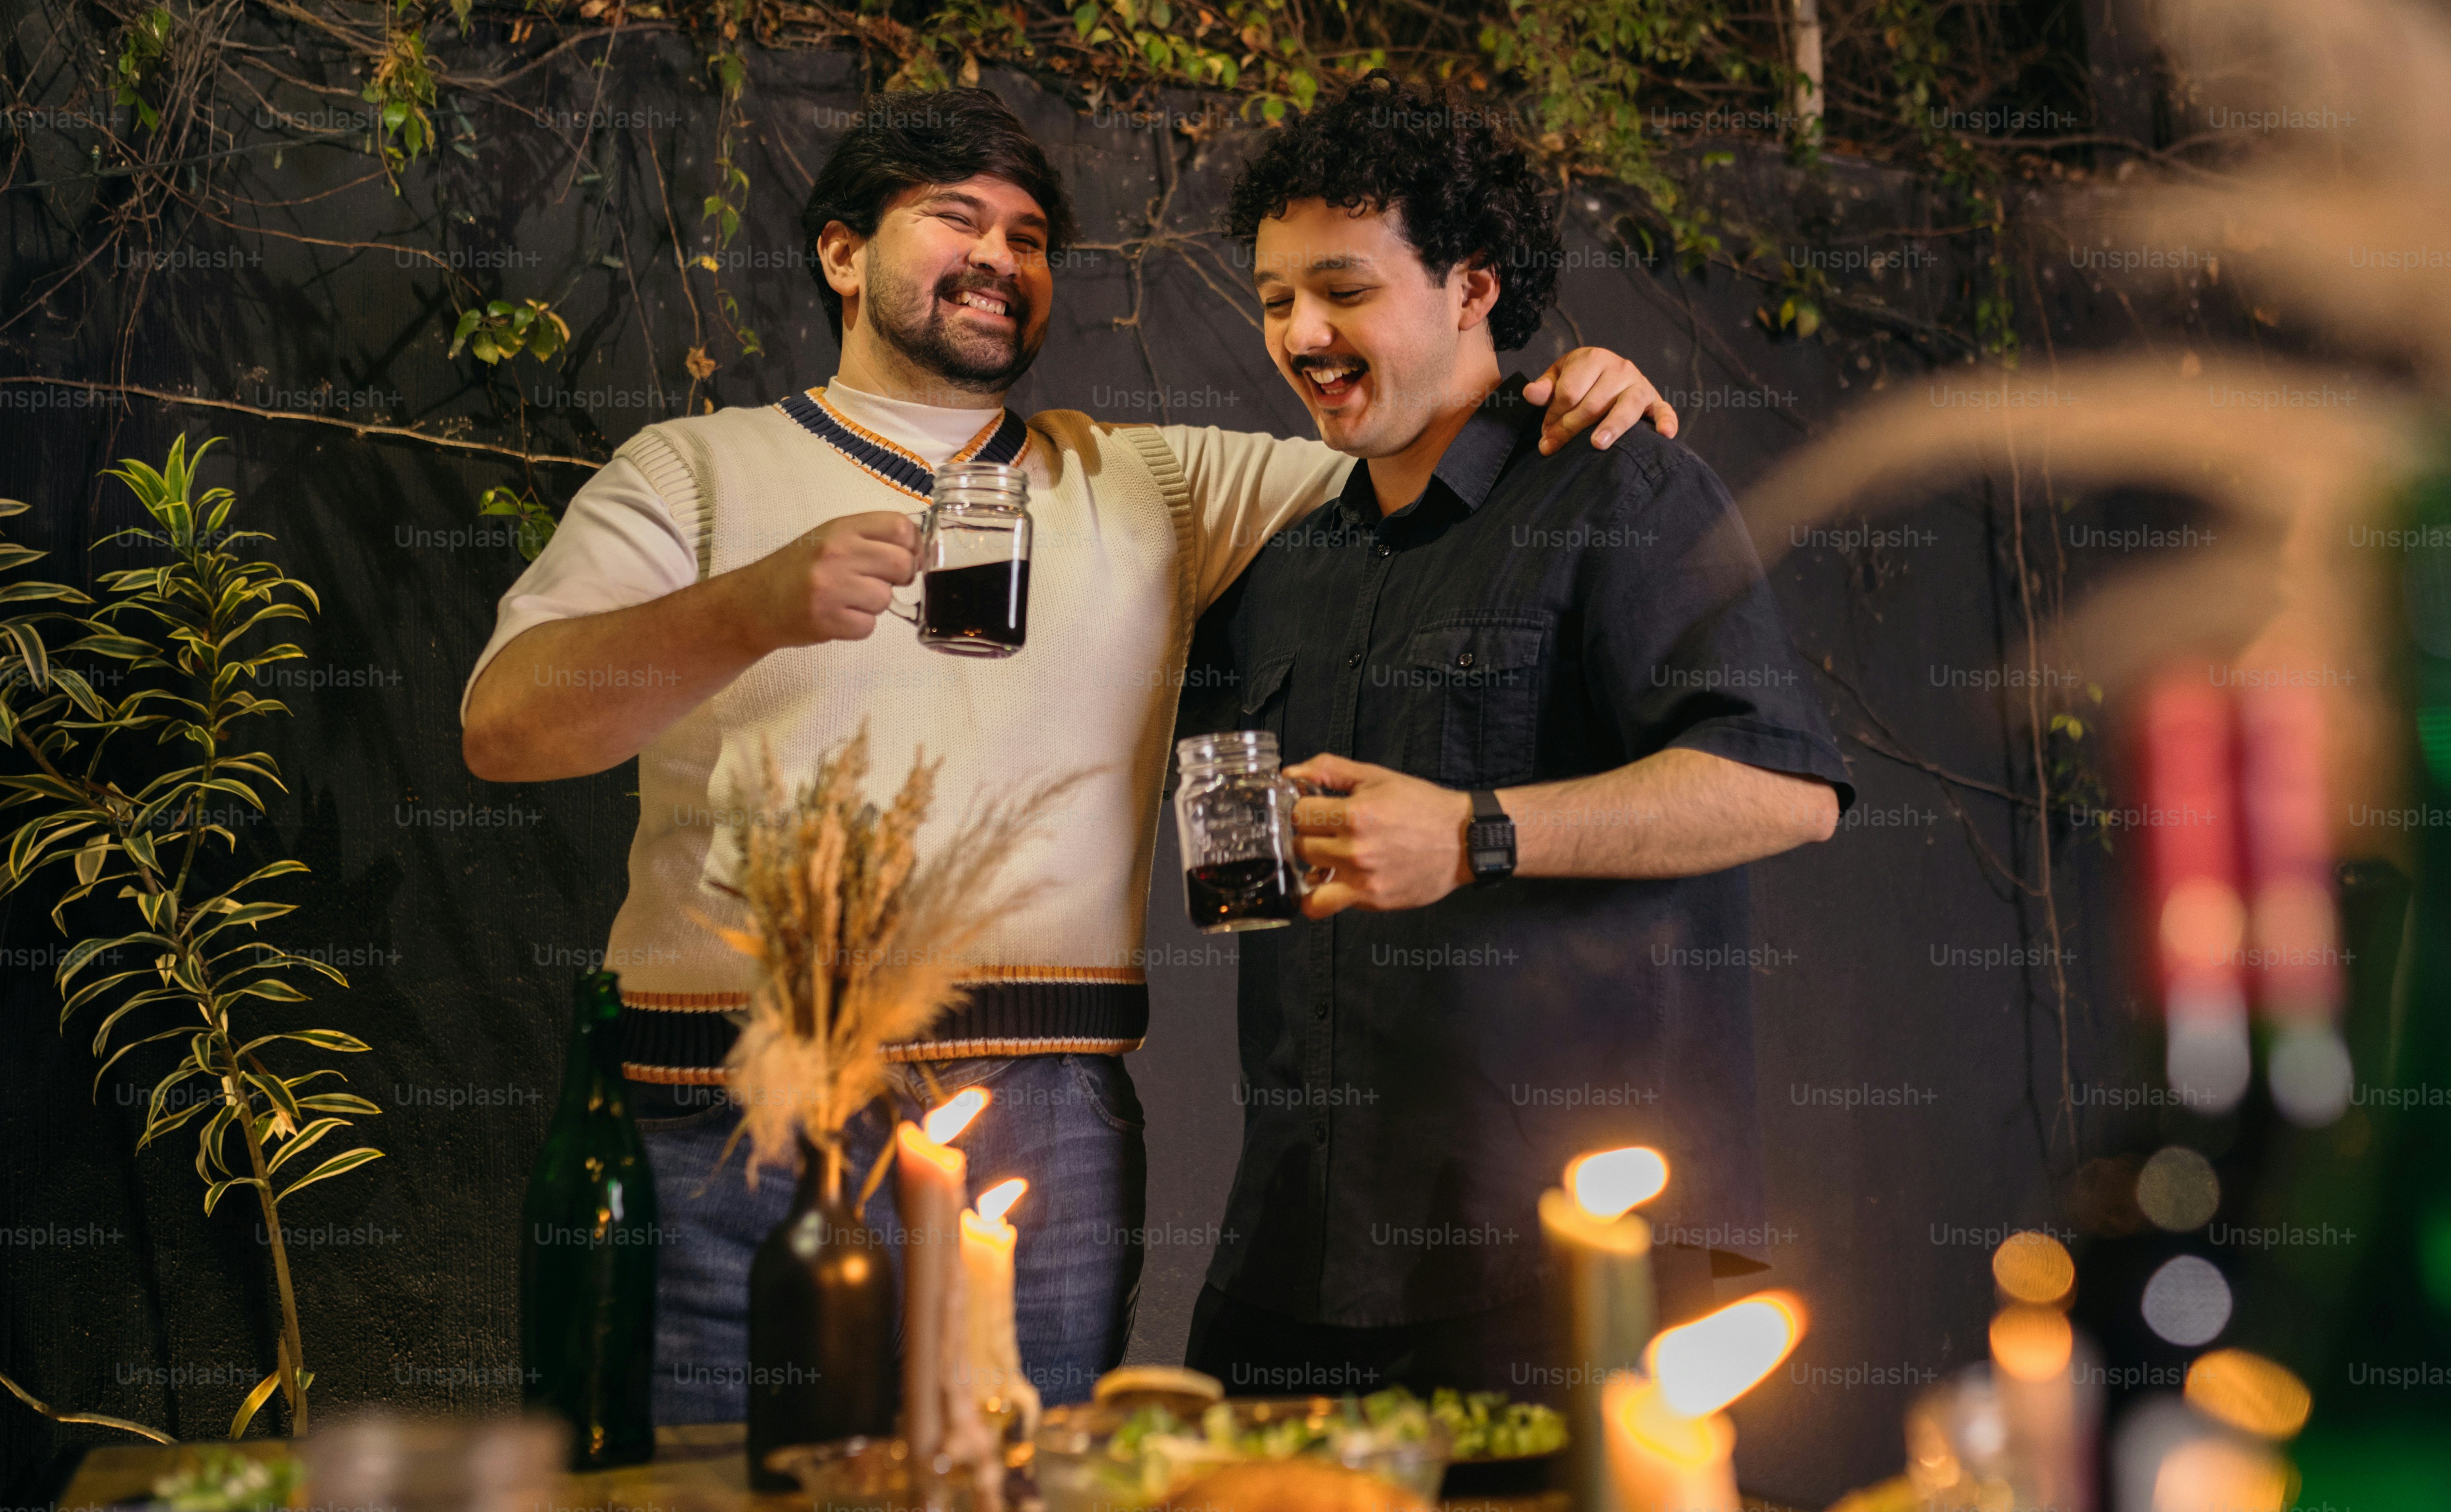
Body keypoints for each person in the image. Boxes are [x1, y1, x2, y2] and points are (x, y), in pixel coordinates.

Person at [459, 88, 1679, 1422]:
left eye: (1032, 236)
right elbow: (506, 730)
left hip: (1038, 1120)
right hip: (718, 1118)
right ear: (842, 253)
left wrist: (1565, 375)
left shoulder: (1158, 481)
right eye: (957, 218)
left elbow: (1426, 427)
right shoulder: (693, 470)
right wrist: (749, 607)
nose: (1002, 257)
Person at [1176, 78, 1853, 1399]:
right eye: (1272, 300)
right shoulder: (1292, 560)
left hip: (1557, 1266)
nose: (1301, 333)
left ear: (1473, 285)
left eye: (1343, 290)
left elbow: (1784, 784)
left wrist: (1476, 831)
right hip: (1298, 1254)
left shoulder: (1618, 477)